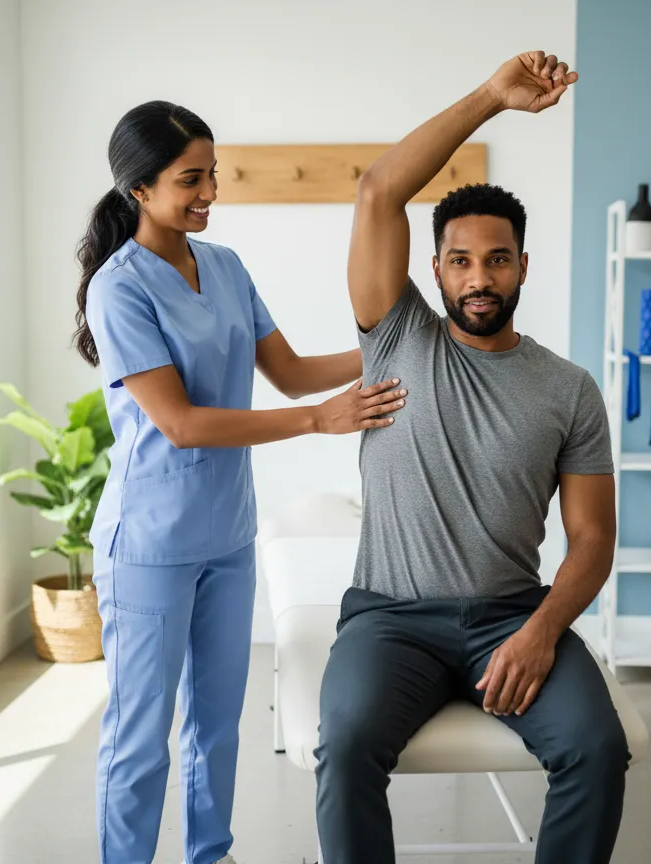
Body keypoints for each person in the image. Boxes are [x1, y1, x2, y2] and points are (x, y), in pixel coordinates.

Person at [314, 51, 630, 864]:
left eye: (497, 259)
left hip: (510, 617)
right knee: (345, 747)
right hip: (389, 620)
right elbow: (380, 190)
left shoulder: (569, 389)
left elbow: (592, 540)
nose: (479, 277)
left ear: (523, 265)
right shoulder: (395, 337)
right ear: (435, 271)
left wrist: (542, 631)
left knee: (597, 749)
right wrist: (493, 96)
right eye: (460, 260)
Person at [73, 100, 407, 864]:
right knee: (140, 737)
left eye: (213, 174)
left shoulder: (224, 267)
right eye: (191, 179)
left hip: (227, 534)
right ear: (140, 189)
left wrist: (395, 344)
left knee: (218, 722)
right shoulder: (119, 287)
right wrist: (320, 423)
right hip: (150, 543)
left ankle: (209, 854)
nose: (210, 193)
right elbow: (182, 422)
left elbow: (288, 373)